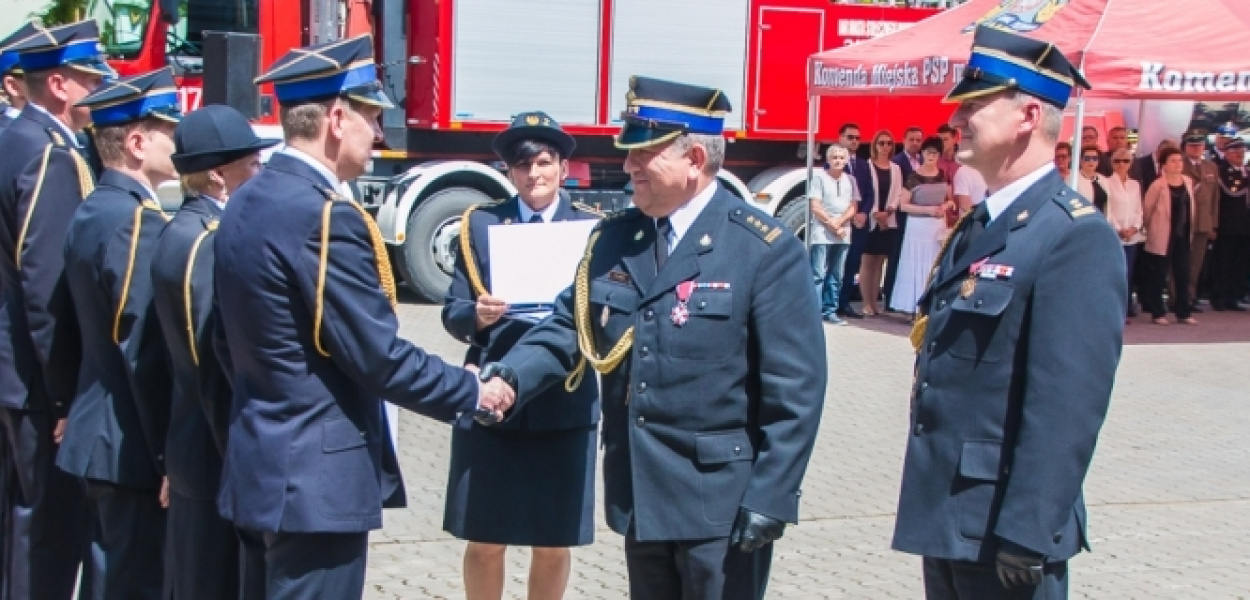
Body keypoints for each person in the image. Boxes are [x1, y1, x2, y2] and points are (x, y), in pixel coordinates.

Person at [479, 75, 826, 600]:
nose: (627, 166)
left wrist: (772, 495)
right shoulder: (617, 238)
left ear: (694, 161)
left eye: (644, 153)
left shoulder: (761, 248)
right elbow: (567, 327)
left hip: (722, 504)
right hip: (642, 491)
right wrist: (508, 379)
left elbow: (796, 388)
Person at [211, 35, 511, 599]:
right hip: (315, 485)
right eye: (371, 118)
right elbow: (376, 354)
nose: (377, 134)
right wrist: (470, 391)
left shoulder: (247, 199)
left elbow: (226, 342)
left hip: (260, 465)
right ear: (336, 117)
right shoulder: (325, 216)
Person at [895, 25, 1125, 600]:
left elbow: (1067, 406)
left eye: (975, 106)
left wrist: (1029, 529)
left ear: (1027, 117)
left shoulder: (1073, 237)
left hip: (1005, 531)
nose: (955, 121)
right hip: (950, 513)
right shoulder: (979, 227)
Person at [441, 111, 601, 600]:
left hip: (564, 397)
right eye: (522, 166)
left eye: (545, 163)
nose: (534, 175)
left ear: (563, 166)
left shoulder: (592, 229)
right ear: (509, 172)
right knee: (485, 536)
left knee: (553, 541)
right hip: (492, 394)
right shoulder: (483, 223)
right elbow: (453, 312)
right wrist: (479, 316)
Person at [58, 67, 183, 599]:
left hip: (97, 433)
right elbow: (144, 352)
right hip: (128, 446)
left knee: (106, 579)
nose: (177, 141)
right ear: (136, 142)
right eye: (167, 130)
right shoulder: (138, 222)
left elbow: (66, 321)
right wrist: (166, 458)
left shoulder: (92, 208)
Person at [0, 19, 111, 600]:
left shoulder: (12, 139)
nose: (98, 92)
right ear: (61, 85)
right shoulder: (50, 156)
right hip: (34, 380)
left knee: (20, 523)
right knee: (43, 531)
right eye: (91, 81)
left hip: (11, 369)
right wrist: (67, 392)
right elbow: (46, 285)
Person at [151, 104, 278, 600]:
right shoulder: (212, 242)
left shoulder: (174, 229)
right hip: (215, 453)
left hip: (187, 445)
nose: (260, 173)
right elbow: (216, 367)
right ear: (218, 176)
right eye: (252, 165)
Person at [891, 136, 954, 317]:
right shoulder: (913, 177)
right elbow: (903, 205)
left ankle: (929, 305)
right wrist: (927, 210)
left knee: (932, 264)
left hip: (937, 227)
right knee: (915, 264)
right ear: (922, 154)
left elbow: (950, 201)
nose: (931, 156)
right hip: (918, 226)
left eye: (935, 152)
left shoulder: (943, 175)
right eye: (928, 152)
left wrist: (946, 206)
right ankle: (912, 307)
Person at [1141, 146, 1197, 326]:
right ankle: (1158, 312)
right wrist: (1151, 229)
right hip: (1162, 234)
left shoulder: (1188, 182)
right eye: (1173, 161)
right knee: (1159, 274)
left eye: (1179, 160)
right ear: (1164, 165)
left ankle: (1183, 311)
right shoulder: (1158, 185)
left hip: (1183, 233)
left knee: (1182, 273)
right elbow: (1147, 210)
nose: (1177, 164)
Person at [808, 142, 859, 324]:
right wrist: (831, 223)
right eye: (834, 157)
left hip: (843, 232)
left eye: (841, 158)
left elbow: (854, 206)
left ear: (846, 160)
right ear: (828, 159)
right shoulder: (819, 178)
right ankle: (814, 312)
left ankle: (831, 311)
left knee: (836, 275)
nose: (838, 161)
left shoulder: (850, 180)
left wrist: (840, 223)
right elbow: (815, 205)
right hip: (822, 232)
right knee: (818, 274)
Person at [857, 129, 902, 316]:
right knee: (867, 262)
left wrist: (889, 211)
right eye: (881, 143)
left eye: (889, 143)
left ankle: (875, 303)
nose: (885, 147)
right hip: (872, 221)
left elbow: (897, 192)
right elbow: (866, 192)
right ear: (874, 145)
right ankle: (866, 303)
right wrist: (876, 213)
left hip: (888, 221)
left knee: (880, 262)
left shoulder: (896, 168)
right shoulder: (867, 166)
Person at [1180, 130, 1220, 312]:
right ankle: (1177, 298)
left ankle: (1190, 297)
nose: (1196, 148)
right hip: (1184, 221)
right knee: (1180, 261)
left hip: (1203, 222)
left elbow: (1215, 199)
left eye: (1199, 145)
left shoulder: (1211, 167)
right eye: (1192, 145)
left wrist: (1213, 223)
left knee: (1196, 263)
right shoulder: (1179, 164)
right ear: (1186, 147)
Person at [1104, 148, 1145, 321]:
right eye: (1117, 161)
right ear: (1112, 163)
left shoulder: (1135, 184)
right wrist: (1119, 228)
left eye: (1126, 161)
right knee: (1116, 273)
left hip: (1132, 236)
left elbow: (1138, 209)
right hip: (1115, 234)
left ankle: (1127, 307)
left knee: (1129, 273)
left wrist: (1134, 228)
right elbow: (1108, 209)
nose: (1122, 164)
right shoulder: (1106, 182)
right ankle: (1114, 309)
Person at [1209, 139, 1250, 311]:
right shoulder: (1221, 172)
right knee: (1223, 264)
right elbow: (1231, 193)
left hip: (1245, 227)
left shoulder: (1246, 172)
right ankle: (1220, 297)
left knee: (1240, 264)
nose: (1239, 154)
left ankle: (1235, 296)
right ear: (1226, 153)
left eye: (1241, 151)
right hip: (1227, 226)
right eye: (1234, 151)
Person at [838, 122, 867, 319]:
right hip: (841, 222)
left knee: (852, 264)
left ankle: (845, 303)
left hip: (859, 223)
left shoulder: (865, 165)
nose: (855, 141)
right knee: (835, 265)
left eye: (857, 138)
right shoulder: (832, 164)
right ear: (840, 138)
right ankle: (829, 303)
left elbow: (870, 193)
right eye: (850, 137)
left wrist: (863, 213)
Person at [1074, 145, 1108, 213]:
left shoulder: (1103, 179)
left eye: (1095, 158)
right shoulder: (1073, 178)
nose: (1091, 161)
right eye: (1087, 158)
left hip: (1101, 220)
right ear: (1080, 160)